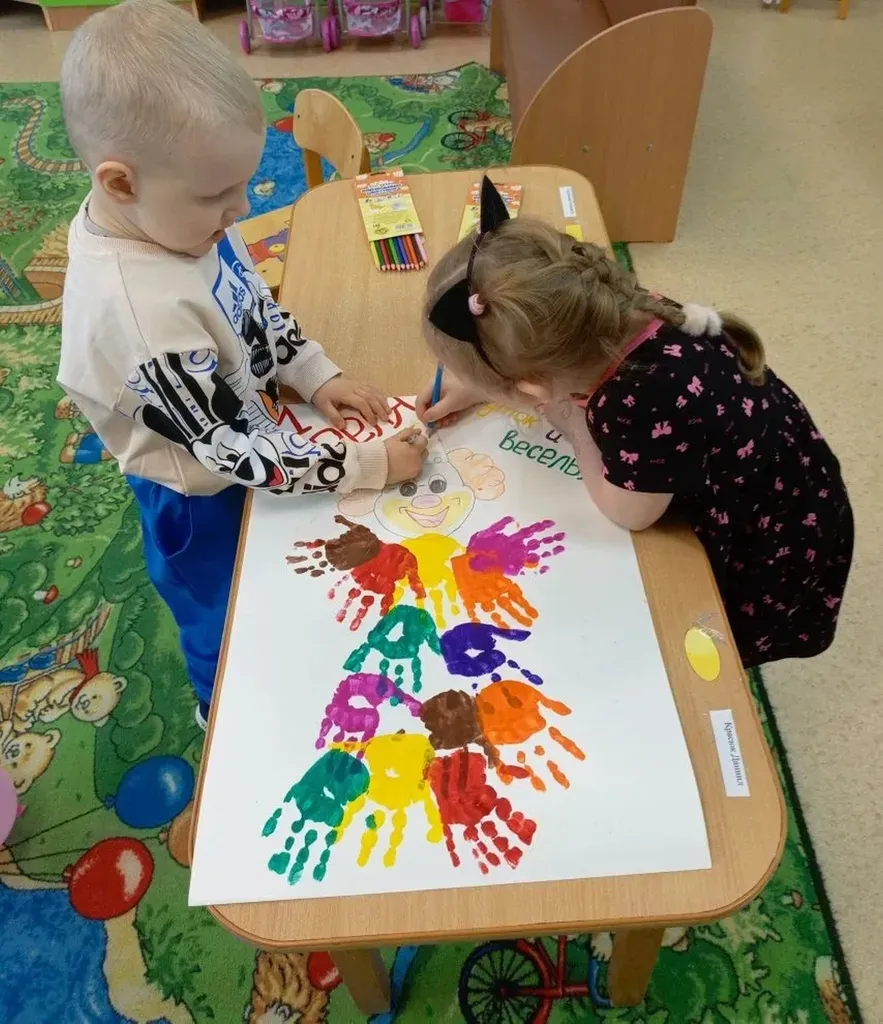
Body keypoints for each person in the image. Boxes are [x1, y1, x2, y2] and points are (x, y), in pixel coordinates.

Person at [57, 0, 427, 727]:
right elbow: (233, 454)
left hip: (253, 428)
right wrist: (368, 465)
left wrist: (313, 371)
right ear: (120, 183)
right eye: (216, 196)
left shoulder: (178, 222)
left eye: (241, 189)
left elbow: (250, 301)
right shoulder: (141, 317)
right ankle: (215, 707)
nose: (238, 212)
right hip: (201, 497)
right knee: (222, 613)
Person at [416, 178, 852, 668]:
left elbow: (630, 512)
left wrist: (571, 423)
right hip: (789, 465)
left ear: (535, 389)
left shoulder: (635, 399)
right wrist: (484, 385)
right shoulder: (610, 309)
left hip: (773, 537)